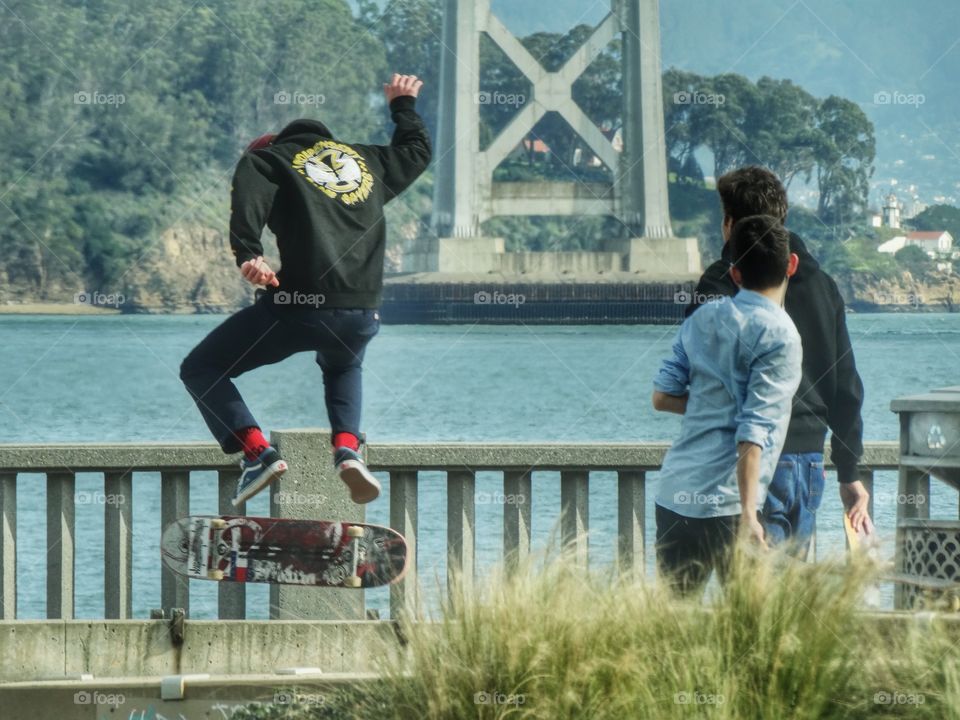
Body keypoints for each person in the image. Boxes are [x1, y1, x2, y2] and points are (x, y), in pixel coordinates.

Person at [180, 74, 431, 507]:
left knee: (202, 369)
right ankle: (348, 450)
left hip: (301, 307)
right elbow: (417, 151)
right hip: (362, 312)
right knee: (342, 367)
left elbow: (248, 197)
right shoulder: (366, 163)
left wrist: (248, 254)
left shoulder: (267, 161)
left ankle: (258, 454)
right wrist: (403, 105)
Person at [686, 166, 871, 558]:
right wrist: (849, 471)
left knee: (750, 598)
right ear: (782, 219)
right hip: (807, 464)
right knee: (789, 599)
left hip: (747, 461)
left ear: (730, 225)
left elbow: (692, 374)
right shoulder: (823, 285)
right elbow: (846, 385)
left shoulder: (720, 285)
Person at [654, 216, 802, 597]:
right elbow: (752, 433)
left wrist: (709, 406)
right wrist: (751, 514)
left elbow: (662, 396)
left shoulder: (703, 317)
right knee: (748, 631)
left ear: (734, 274)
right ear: (791, 265)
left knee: (670, 628)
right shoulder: (781, 335)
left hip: (675, 495)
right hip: (730, 505)